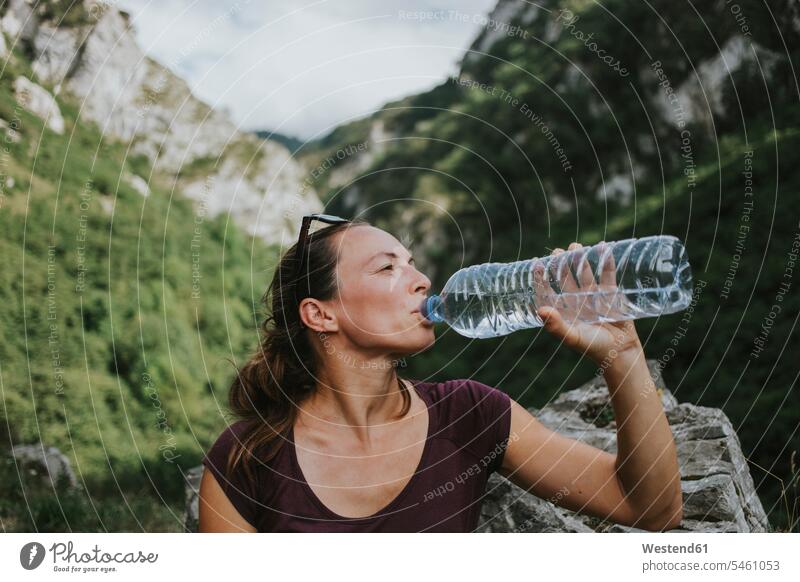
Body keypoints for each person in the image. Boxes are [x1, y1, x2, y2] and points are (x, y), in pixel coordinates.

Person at [198, 214, 683, 532]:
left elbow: (651, 508)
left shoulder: (468, 414)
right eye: (388, 268)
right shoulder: (248, 460)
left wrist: (622, 354)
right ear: (321, 314)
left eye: (412, 263)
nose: (423, 279)